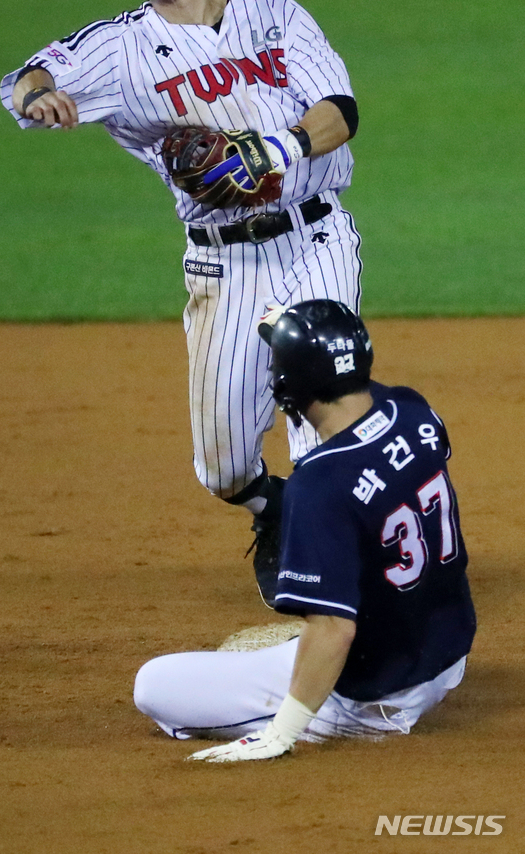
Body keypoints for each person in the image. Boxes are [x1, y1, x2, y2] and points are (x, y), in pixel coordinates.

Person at [0, 0, 363, 523]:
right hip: (223, 263)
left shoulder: (273, 13)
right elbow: (29, 78)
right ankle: (268, 507)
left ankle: (329, 558)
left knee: (320, 398)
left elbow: (339, 112)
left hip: (315, 237)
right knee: (222, 467)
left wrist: (276, 151)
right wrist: (39, 97)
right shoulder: (117, 51)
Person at [133, 300, 477, 762]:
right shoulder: (412, 409)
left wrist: (281, 733)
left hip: (377, 697)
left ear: (291, 385)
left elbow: (334, 628)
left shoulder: (318, 485)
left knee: (154, 685)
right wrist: (298, 333)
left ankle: (310, 720)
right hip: (447, 657)